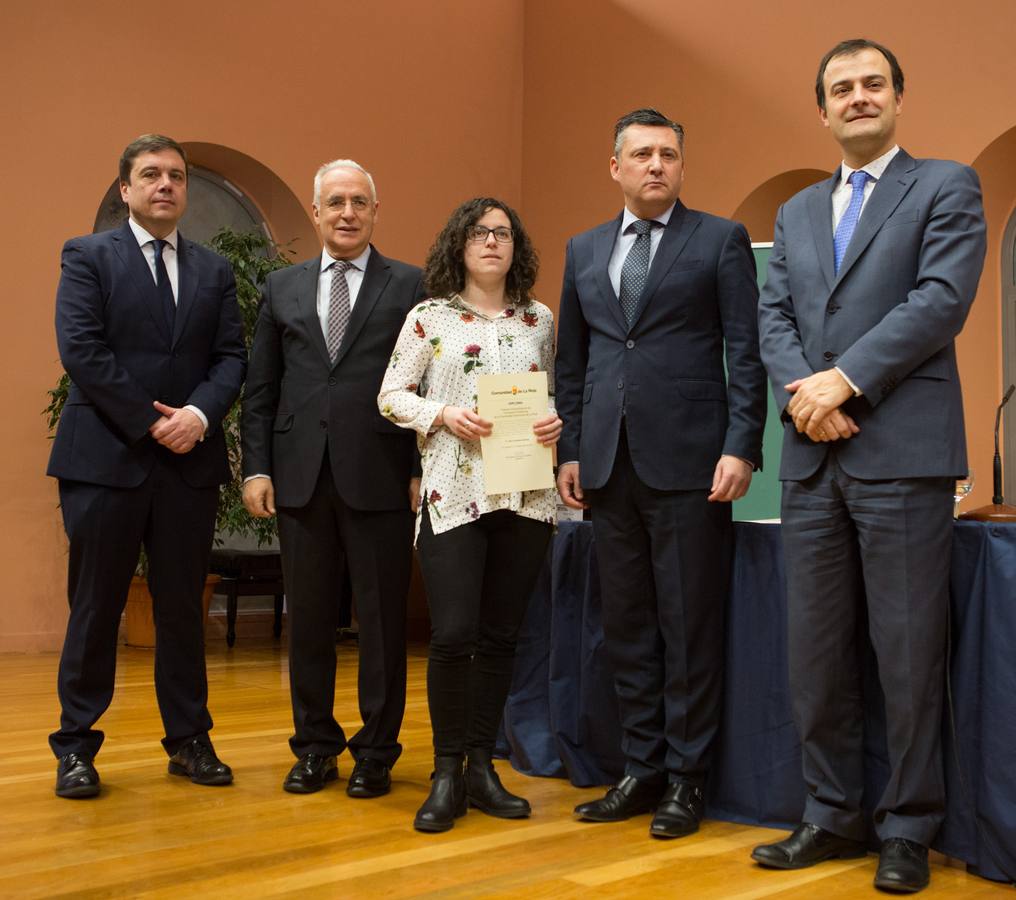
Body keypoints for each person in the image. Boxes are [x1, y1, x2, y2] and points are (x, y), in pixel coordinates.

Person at [752, 40, 986, 894]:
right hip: (812, 461)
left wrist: (844, 379)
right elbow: (772, 312)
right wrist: (804, 393)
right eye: (841, 89)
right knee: (815, 655)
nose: (857, 98)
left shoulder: (947, 186)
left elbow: (940, 300)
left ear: (897, 97)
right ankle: (829, 814)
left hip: (903, 454)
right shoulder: (800, 209)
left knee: (908, 654)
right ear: (821, 110)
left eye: (871, 84)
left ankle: (909, 828)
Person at [555, 109, 767, 838]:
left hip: (692, 468)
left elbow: (747, 350)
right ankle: (640, 769)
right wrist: (570, 451)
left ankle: (686, 779)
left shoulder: (720, 240)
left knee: (688, 628)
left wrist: (743, 445)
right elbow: (573, 365)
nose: (656, 166)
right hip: (608, 468)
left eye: (668, 155)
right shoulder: (583, 250)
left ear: (682, 166)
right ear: (613, 166)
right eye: (641, 154)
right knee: (628, 628)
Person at [47, 134, 247, 797]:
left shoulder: (215, 272)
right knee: (96, 606)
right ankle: (75, 747)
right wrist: (151, 419)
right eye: (151, 175)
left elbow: (230, 360)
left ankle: (189, 741)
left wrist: (197, 416)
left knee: (183, 611)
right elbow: (82, 348)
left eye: (177, 176)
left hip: (188, 464)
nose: (166, 184)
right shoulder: (88, 256)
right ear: (126, 190)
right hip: (106, 458)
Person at [378, 198, 561, 832]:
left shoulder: (540, 318)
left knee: (502, 636)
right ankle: (446, 771)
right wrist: (441, 415)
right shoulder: (429, 319)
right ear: (459, 244)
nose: (491, 243)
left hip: (528, 495)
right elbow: (390, 394)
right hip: (453, 493)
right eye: (480, 233)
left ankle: (483, 766)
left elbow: (555, 390)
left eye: (503, 234)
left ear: (517, 246)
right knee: (453, 635)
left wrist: (556, 417)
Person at [242, 160, 423, 798]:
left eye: (359, 202)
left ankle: (376, 751)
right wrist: (256, 467)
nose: (347, 213)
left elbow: (427, 385)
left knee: (380, 624)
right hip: (298, 478)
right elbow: (260, 389)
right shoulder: (281, 286)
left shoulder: (411, 285)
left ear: (376, 212)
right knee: (311, 620)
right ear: (316, 213)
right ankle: (314, 745)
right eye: (335, 203)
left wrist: (420, 468)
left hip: (381, 475)